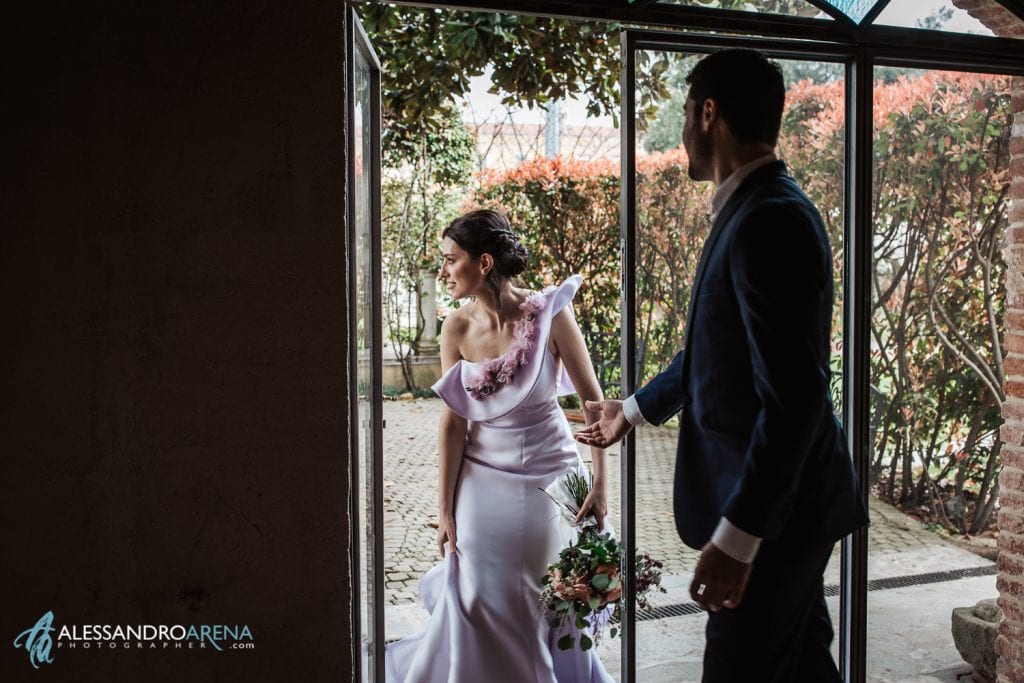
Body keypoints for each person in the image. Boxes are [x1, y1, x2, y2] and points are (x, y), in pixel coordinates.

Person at [575, 49, 869, 682]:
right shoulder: (752, 208)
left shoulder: (771, 218)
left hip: (778, 517)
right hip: (789, 510)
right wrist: (632, 410)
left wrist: (738, 538)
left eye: (685, 113)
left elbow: (794, 397)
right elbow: (716, 352)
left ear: (709, 113)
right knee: (803, 667)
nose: (682, 131)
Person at [385, 209, 614, 683]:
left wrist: (600, 484)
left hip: (554, 480)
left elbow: (593, 402)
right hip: (482, 479)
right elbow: (454, 423)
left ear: (484, 262)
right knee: (477, 593)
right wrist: (445, 509)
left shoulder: (551, 313)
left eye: (451, 259)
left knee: (548, 596)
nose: (444, 271)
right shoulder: (455, 328)